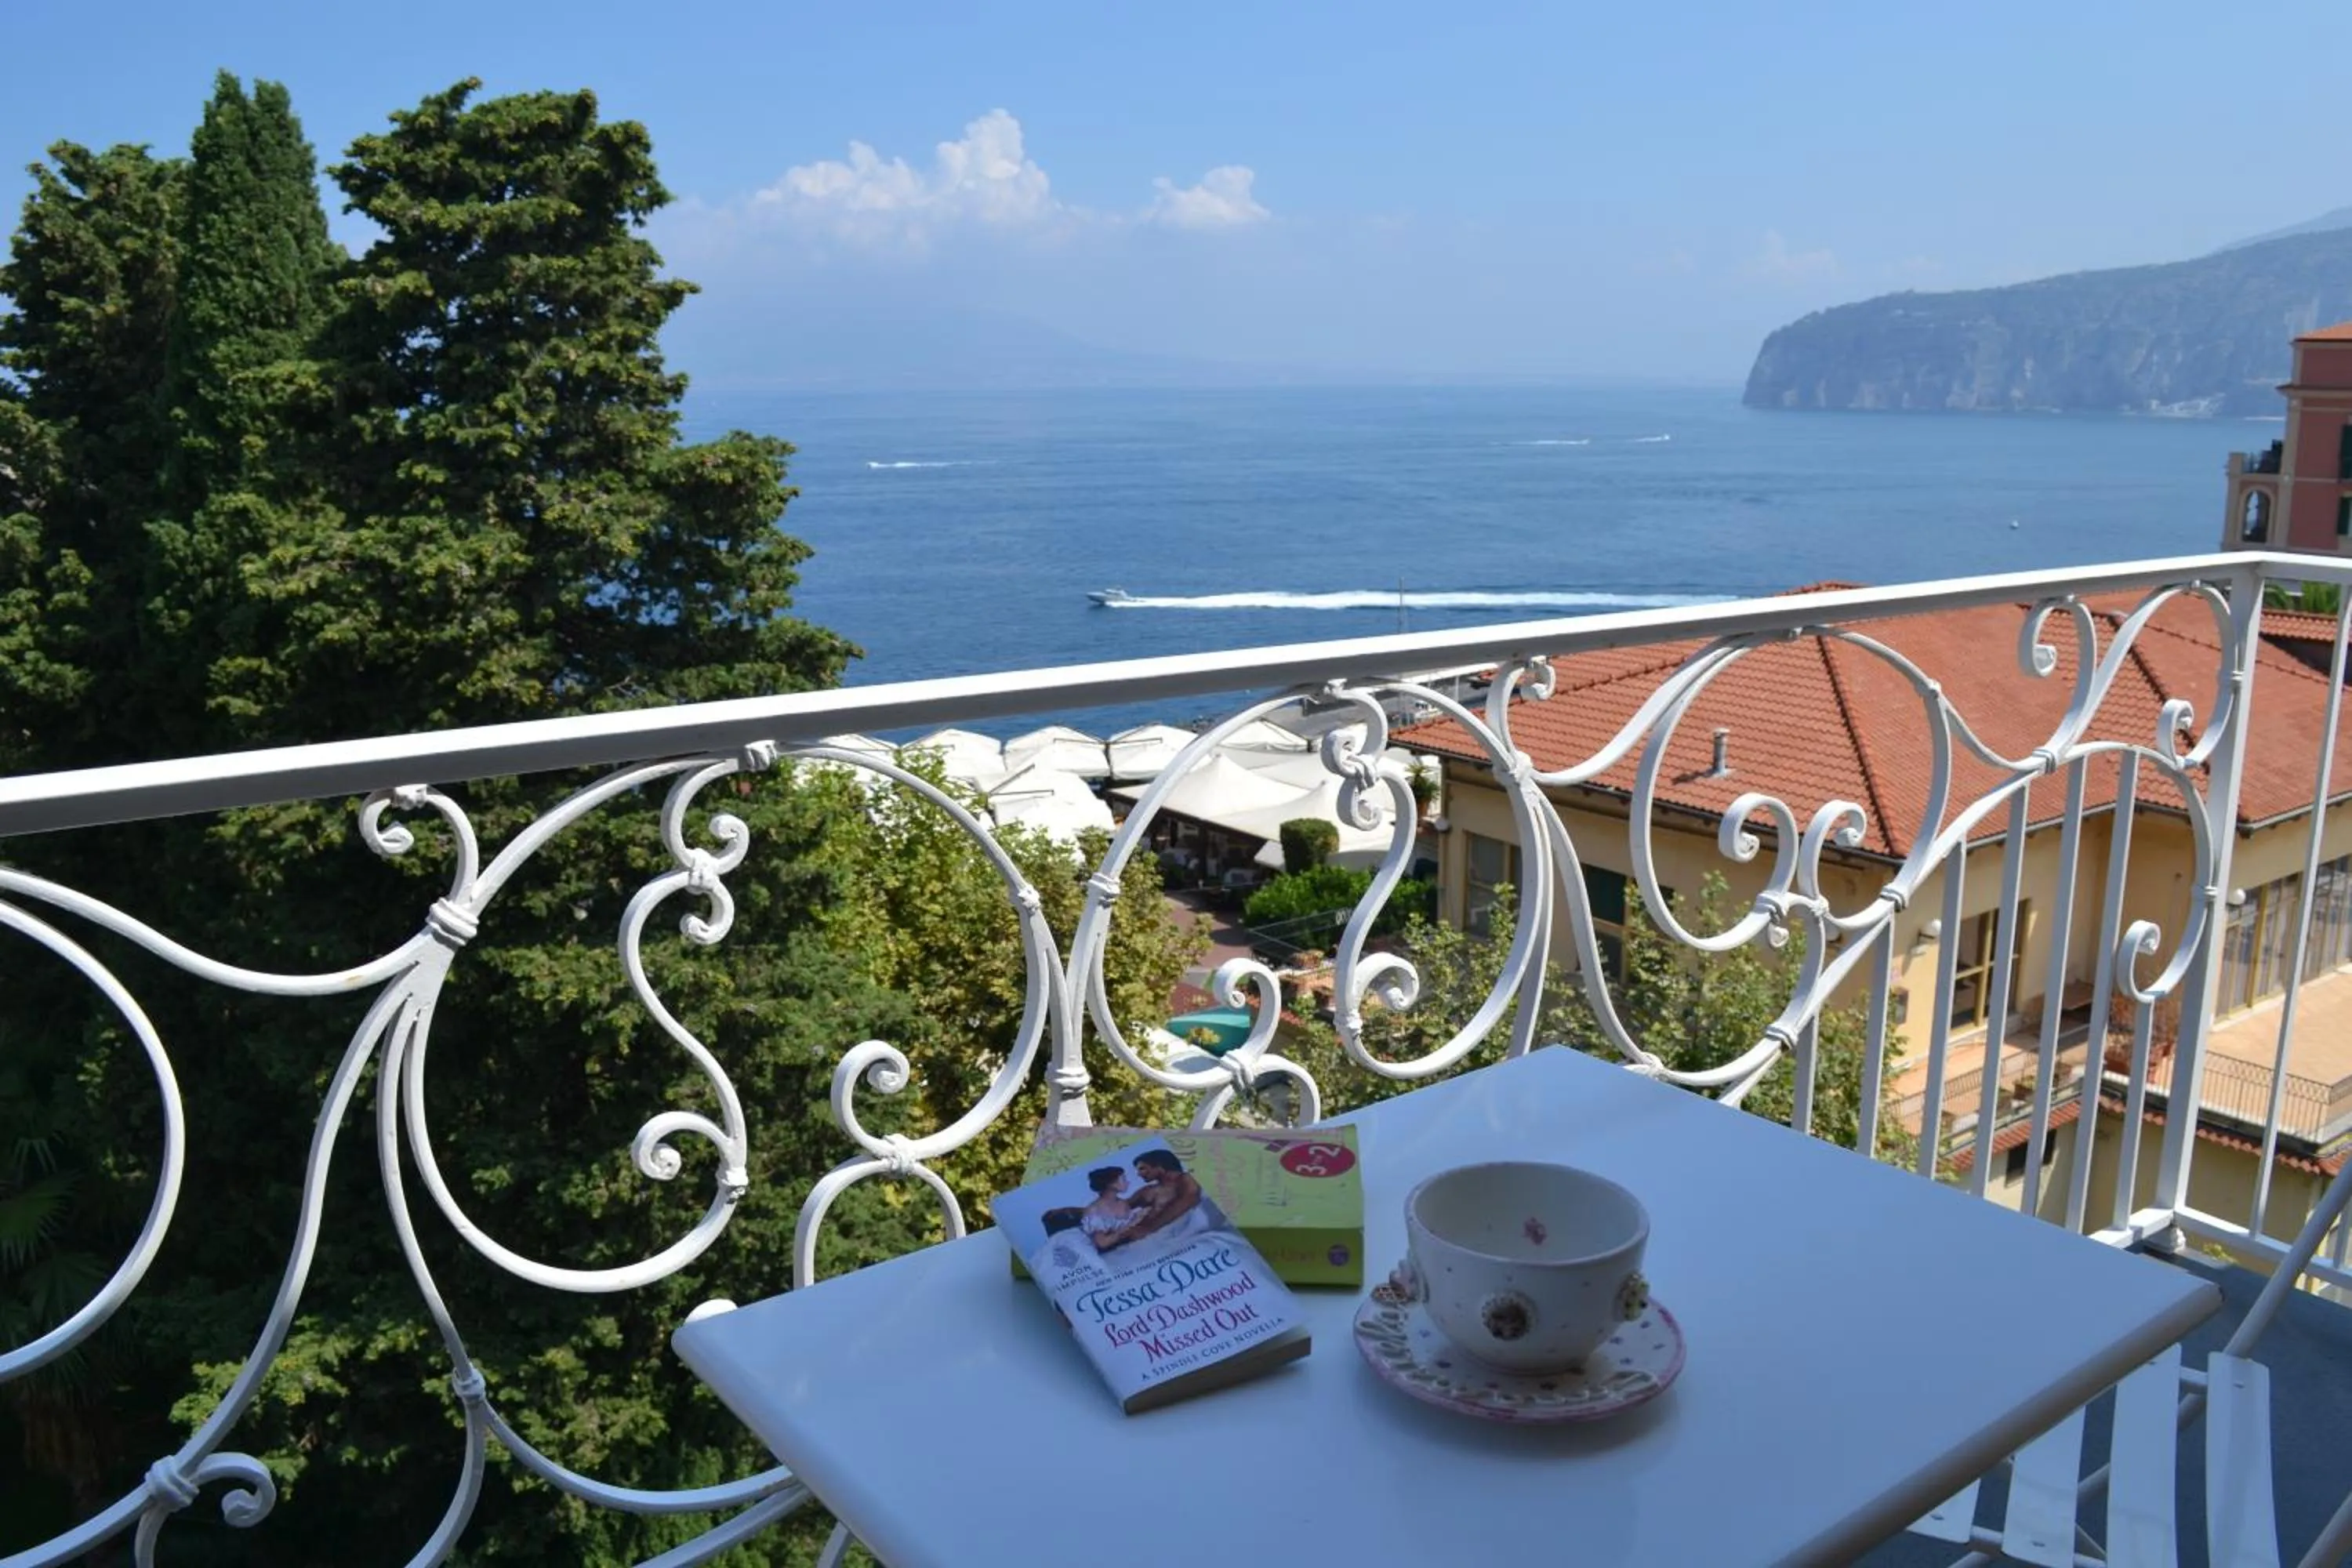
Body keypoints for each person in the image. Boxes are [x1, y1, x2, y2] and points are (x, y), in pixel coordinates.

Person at [1112, 1149, 1216, 1247]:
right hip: (1134, 1238)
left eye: (1142, 1168)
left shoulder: (1186, 1179)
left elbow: (1188, 1200)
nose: (1139, 1174)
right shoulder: (1148, 1191)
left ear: (1159, 1166)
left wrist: (1148, 1229)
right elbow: (1118, 1210)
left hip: (1173, 1238)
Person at [1078, 1166, 1143, 1248]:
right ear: (1112, 1184)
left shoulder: (1121, 1202)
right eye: (1123, 1179)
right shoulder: (1094, 1211)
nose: (1128, 1182)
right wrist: (1131, 1224)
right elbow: (1102, 1243)